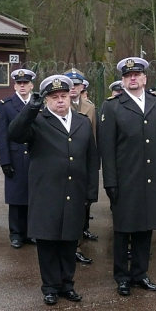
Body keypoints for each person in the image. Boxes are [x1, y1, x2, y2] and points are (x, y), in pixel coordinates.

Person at [8, 75, 99, 305]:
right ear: (47, 100)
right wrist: (31, 108)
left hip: (74, 191)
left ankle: (67, 284)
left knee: (69, 241)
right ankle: (50, 287)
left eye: (64, 96)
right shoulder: (37, 121)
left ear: (71, 97)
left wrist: (90, 192)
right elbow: (15, 134)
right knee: (48, 242)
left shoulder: (82, 121)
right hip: (46, 192)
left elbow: (91, 159)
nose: (60, 101)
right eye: (54, 97)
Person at [98, 56, 156, 296]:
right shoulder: (112, 106)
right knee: (123, 229)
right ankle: (122, 276)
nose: (133, 79)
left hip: (151, 177)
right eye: (128, 76)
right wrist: (110, 181)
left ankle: (140, 273)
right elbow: (106, 149)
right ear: (123, 79)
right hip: (125, 179)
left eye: (137, 75)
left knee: (145, 227)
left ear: (144, 78)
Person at [0, 68, 36, 248]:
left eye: (25, 83)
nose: (22, 86)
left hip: (34, 157)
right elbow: (1, 135)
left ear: (31, 85)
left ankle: (30, 232)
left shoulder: (37, 104)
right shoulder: (6, 105)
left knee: (33, 196)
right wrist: (5, 160)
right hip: (16, 156)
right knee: (16, 198)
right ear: (14, 85)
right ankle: (16, 234)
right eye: (19, 83)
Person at [66, 68, 98, 243]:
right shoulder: (61, 105)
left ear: (82, 87)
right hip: (68, 158)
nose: (73, 88)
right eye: (70, 85)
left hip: (85, 158)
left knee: (86, 197)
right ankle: (74, 239)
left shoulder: (90, 107)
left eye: (76, 85)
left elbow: (93, 134)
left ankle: (84, 229)